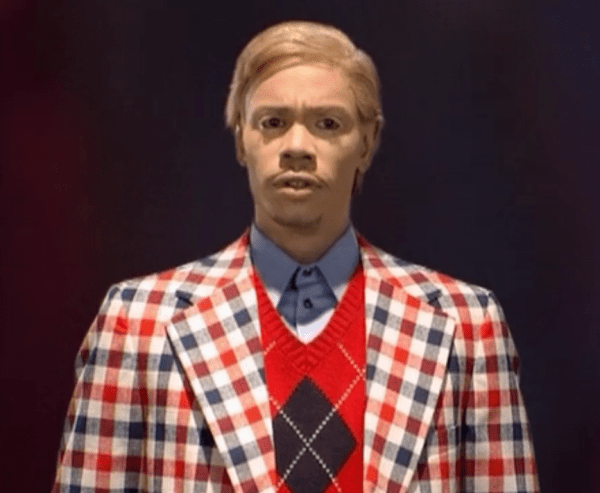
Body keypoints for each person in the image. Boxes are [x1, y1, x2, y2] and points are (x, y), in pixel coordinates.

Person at [53, 21, 539, 493]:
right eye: (273, 122)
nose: (297, 147)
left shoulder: (465, 326)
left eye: (328, 123)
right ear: (241, 138)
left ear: (367, 142)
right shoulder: (139, 324)